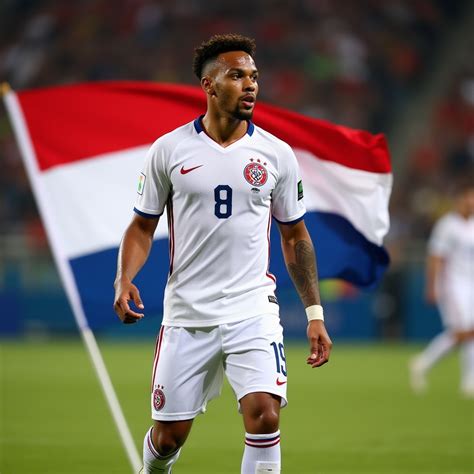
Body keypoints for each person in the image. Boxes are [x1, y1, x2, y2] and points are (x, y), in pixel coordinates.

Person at [113, 33, 332, 474]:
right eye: (237, 76)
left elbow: (295, 237)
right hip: (188, 315)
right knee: (169, 437)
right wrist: (124, 278)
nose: (250, 84)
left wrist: (314, 313)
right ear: (209, 85)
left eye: (254, 76)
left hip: (253, 310)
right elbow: (142, 226)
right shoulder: (169, 150)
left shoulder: (276, 154)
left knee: (265, 414)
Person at [410, 183, 474, 398]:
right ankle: (424, 363)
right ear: (460, 199)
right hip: (454, 285)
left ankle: (467, 380)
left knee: (469, 332)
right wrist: (432, 286)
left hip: (471, 284)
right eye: (469, 197)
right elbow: (436, 257)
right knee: (463, 331)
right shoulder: (447, 225)